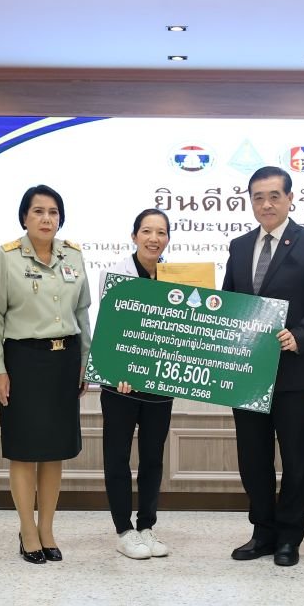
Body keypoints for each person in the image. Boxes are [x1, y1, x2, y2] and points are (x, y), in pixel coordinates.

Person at [223, 165, 304, 567]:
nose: (266, 204)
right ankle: (262, 531)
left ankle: (290, 536)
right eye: (258, 197)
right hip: (246, 373)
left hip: (291, 371)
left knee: (293, 457)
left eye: (274, 196)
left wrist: (301, 335)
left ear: (291, 199)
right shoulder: (238, 246)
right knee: (252, 458)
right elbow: (228, 305)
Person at [0, 185, 92, 564]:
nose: (47, 218)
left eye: (53, 212)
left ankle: (47, 528)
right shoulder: (6, 258)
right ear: (24, 217)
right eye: (38, 211)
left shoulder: (73, 256)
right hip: (23, 362)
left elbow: (82, 314)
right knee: (25, 452)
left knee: (54, 452)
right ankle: (27, 529)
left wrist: (86, 362)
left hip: (64, 362)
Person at [97, 208, 175, 561]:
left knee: (153, 457)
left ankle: (146, 526)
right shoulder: (115, 273)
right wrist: (119, 370)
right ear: (134, 236)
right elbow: (112, 328)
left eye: (160, 232)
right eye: (146, 231)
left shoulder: (177, 278)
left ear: (168, 239)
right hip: (121, 383)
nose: (153, 238)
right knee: (117, 456)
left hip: (159, 381)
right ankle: (123, 530)